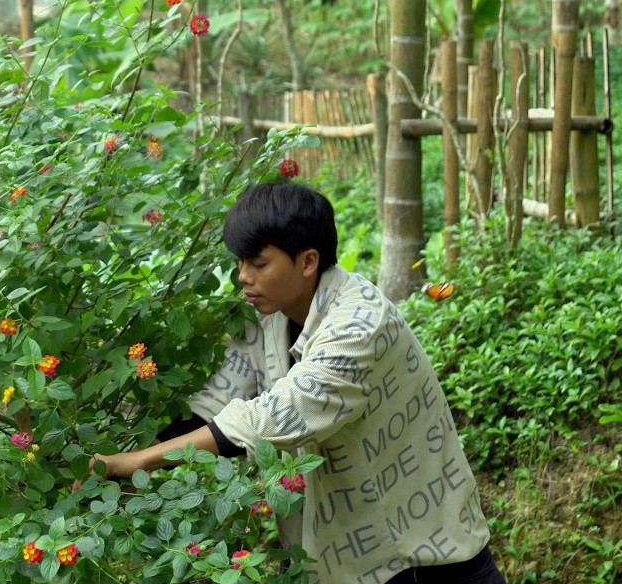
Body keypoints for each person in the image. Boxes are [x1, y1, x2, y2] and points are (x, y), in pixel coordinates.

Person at [91, 181, 505, 584]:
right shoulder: (265, 314)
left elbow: (271, 419)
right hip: (329, 558)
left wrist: (139, 462)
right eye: (240, 263)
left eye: (258, 264)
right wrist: (115, 460)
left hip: (422, 559)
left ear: (307, 261)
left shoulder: (360, 325)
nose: (243, 277)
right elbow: (213, 410)